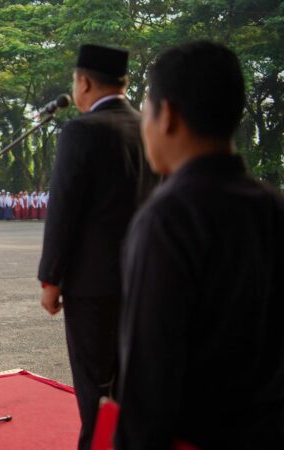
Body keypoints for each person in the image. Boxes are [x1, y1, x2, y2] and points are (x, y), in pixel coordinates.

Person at [114, 41, 284, 449]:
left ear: (167, 115)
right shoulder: (274, 208)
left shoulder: (168, 220)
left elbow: (148, 378)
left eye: (146, 110)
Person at [37, 44, 157, 450]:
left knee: (94, 390)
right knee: (130, 384)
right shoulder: (149, 127)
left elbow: (64, 209)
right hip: (144, 279)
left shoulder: (81, 130)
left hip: (93, 285)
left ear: (84, 82)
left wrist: (50, 279)